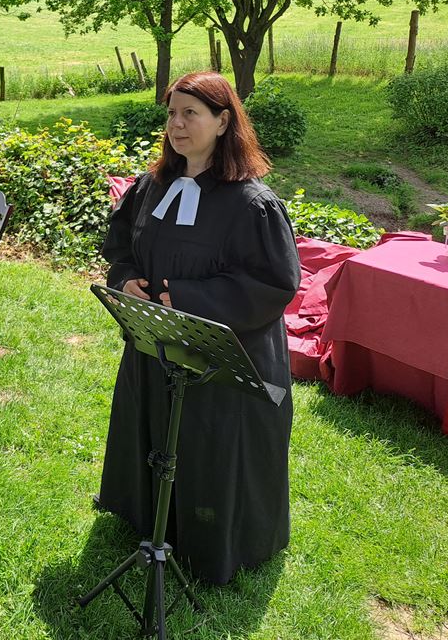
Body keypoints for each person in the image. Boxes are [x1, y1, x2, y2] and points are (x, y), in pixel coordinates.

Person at [98, 71, 301, 585]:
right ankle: (148, 518)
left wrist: (185, 297)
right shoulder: (152, 186)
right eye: (172, 113)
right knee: (154, 430)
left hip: (222, 358)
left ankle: (211, 540)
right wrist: (125, 281)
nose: (177, 125)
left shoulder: (252, 204)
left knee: (209, 445)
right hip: (155, 343)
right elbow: (120, 247)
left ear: (223, 122)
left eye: (191, 113)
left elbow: (273, 284)